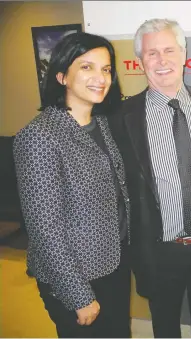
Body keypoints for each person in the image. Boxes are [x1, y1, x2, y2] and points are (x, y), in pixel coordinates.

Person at [108, 18, 191, 338]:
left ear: (184, 54)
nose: (162, 61)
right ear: (139, 61)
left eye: (169, 50)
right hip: (159, 251)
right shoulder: (121, 119)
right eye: (151, 54)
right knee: (164, 328)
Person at [13, 32, 131, 338]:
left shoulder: (102, 124)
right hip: (74, 276)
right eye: (87, 67)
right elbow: (44, 229)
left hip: (112, 264)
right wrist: (79, 296)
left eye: (106, 69)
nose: (100, 77)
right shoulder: (40, 136)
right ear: (62, 76)